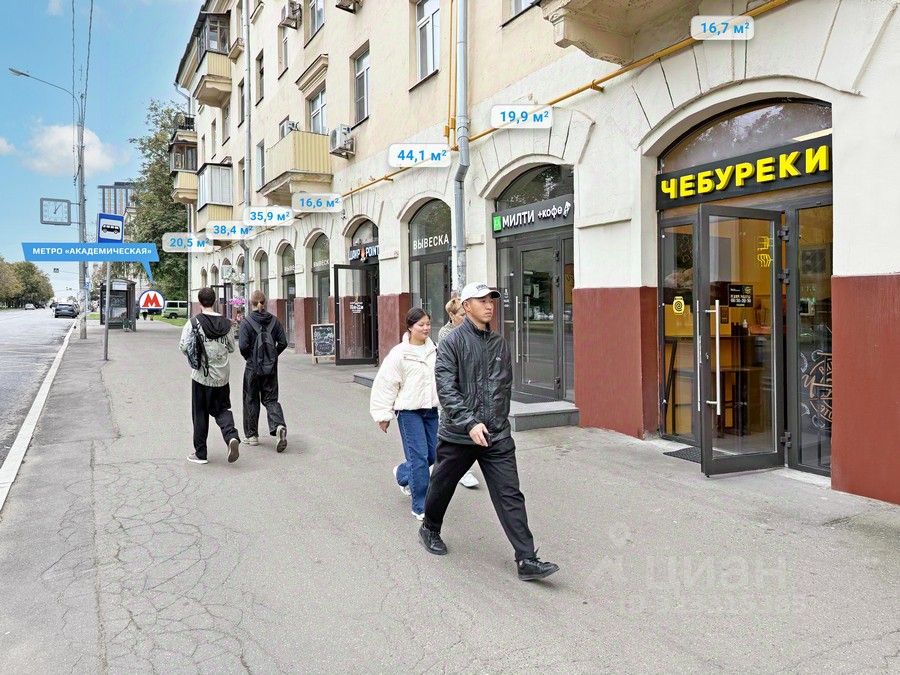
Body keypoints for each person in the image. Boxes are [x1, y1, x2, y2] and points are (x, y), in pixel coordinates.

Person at [418, 282, 559, 581]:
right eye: (481, 300)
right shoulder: (452, 342)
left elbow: (502, 386)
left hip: (495, 434)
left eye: (491, 300)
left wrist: (497, 423)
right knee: (442, 484)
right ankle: (429, 528)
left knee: (510, 494)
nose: (489, 305)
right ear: (466, 306)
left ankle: (526, 559)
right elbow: (446, 388)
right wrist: (469, 422)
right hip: (459, 433)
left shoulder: (499, 343)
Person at [370, 308, 439, 521]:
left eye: (428, 324)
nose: (426, 328)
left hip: (431, 411)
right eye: (421, 324)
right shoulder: (399, 353)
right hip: (409, 412)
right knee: (419, 459)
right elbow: (386, 384)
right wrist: (383, 415)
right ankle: (420, 506)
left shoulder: (435, 350)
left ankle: (402, 473)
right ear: (410, 327)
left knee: (433, 455)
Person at [179, 287, 241, 465]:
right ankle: (231, 436)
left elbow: (183, 346)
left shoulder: (194, 323)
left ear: (200, 302)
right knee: (222, 409)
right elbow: (231, 348)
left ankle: (201, 453)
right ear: (214, 301)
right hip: (222, 376)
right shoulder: (226, 324)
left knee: (200, 413)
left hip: (201, 376)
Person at [436, 297, 479, 490]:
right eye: (462, 314)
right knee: (452, 434)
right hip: (453, 390)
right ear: (452, 315)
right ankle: (463, 472)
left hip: (471, 390)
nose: (466, 317)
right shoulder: (446, 334)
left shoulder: (473, 330)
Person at [239, 290, 289, 452]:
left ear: (251, 303)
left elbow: (243, 346)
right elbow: (283, 343)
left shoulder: (246, 322)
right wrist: (272, 356)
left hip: (252, 368)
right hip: (270, 368)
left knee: (251, 399)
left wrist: (250, 358)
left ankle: (252, 436)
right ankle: (278, 425)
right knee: (271, 399)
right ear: (264, 302)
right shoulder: (275, 321)